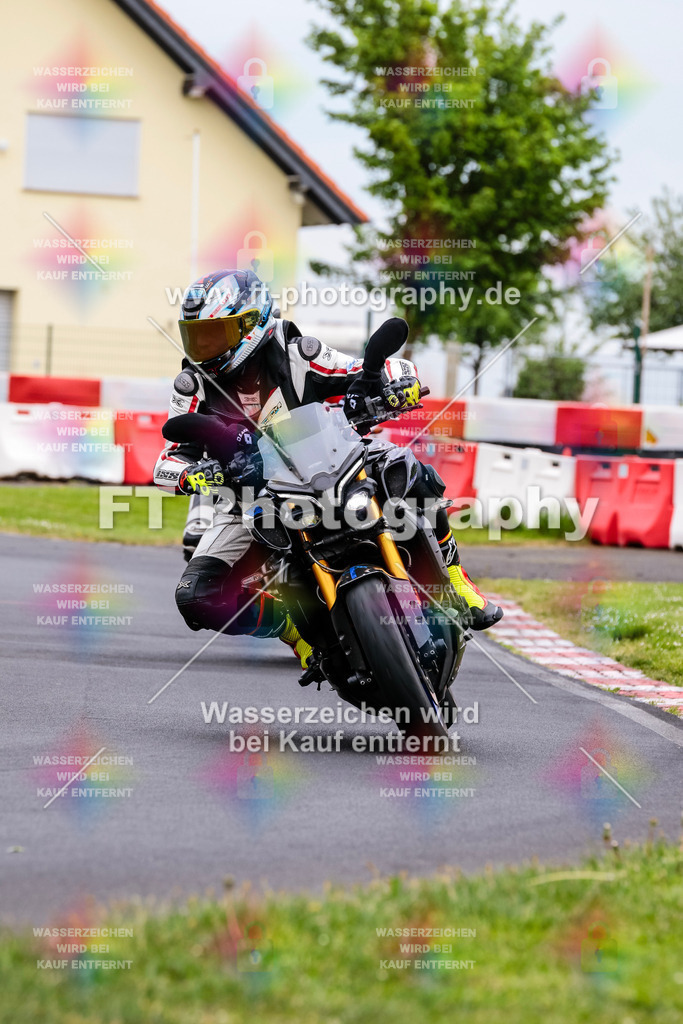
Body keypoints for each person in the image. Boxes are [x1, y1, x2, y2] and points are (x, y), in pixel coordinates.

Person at [154, 268, 502, 670]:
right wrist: (189, 474)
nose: (205, 347)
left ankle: (455, 578)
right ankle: (294, 629)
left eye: (217, 334)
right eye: (197, 336)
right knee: (194, 595)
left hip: (330, 461)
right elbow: (168, 458)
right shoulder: (192, 386)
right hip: (248, 499)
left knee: (406, 470)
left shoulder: (298, 352)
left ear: (253, 322)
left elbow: (365, 370)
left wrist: (395, 382)